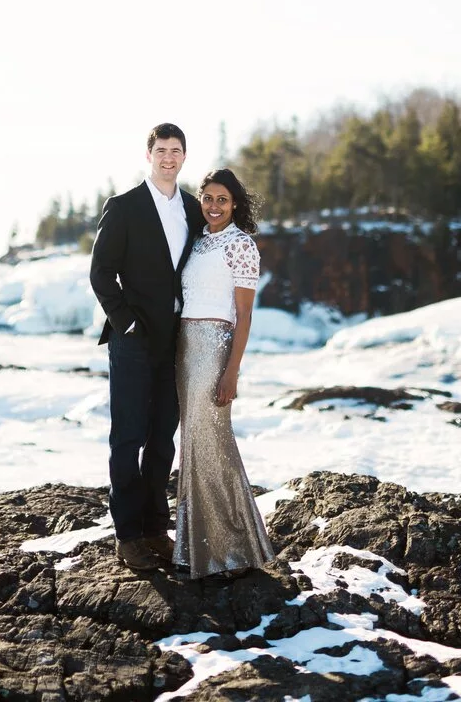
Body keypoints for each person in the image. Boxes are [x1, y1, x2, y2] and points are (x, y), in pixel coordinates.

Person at [90, 123, 204, 572]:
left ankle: (156, 528)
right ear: (149, 154)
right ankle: (128, 535)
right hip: (134, 340)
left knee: (162, 437)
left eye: (176, 151)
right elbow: (101, 273)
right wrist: (128, 322)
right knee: (129, 436)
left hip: (177, 338)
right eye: (161, 150)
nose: (168, 157)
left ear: (184, 156)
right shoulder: (124, 208)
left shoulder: (193, 209)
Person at [174, 167, 274, 579]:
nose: (214, 207)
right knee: (193, 441)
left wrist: (232, 372)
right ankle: (194, 546)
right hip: (184, 347)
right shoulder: (197, 244)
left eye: (223, 200)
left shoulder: (241, 245)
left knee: (212, 439)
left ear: (235, 204)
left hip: (215, 349)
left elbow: (245, 315)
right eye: (208, 198)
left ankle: (232, 546)